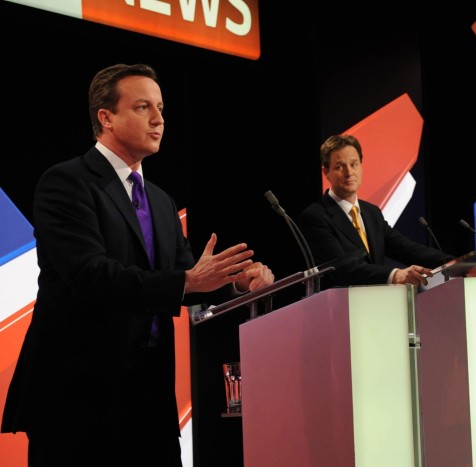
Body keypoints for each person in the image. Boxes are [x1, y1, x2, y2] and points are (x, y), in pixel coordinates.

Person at [1, 63, 274, 467]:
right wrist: (189, 279)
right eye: (143, 107)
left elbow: (184, 276)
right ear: (106, 117)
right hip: (79, 397)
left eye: (161, 108)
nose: (159, 119)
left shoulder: (161, 201)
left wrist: (236, 283)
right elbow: (91, 275)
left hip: (150, 395)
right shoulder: (67, 183)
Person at [297, 134, 452, 289]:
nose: (349, 172)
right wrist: (396, 275)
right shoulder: (315, 217)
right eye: (339, 166)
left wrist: (456, 263)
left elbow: (406, 248)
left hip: (378, 303)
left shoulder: (372, 212)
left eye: (354, 164)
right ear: (326, 172)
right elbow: (343, 269)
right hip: (341, 307)